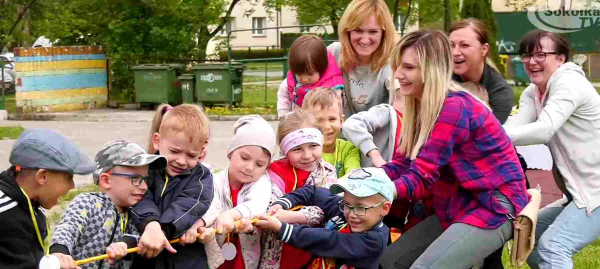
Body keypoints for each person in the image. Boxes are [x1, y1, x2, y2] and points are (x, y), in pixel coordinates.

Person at [378, 29, 528, 269]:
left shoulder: (454, 107)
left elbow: (421, 178)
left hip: (495, 205)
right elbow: (404, 163)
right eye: (398, 66)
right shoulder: (419, 105)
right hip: (459, 200)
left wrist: (376, 191)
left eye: (408, 67)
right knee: (390, 261)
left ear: (431, 70)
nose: (398, 75)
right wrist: (363, 180)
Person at [503, 30, 600, 269]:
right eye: (526, 55)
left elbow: (544, 129)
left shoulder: (569, 83)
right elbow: (514, 128)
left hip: (595, 193)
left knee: (553, 247)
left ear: (561, 59)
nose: (531, 61)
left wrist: (492, 137)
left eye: (540, 54)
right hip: (578, 194)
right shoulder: (533, 93)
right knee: (529, 238)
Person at [50, 140, 167, 269]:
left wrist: (125, 243)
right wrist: (60, 253)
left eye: (145, 179)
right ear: (106, 180)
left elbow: (140, 237)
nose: (144, 187)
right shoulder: (87, 203)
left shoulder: (134, 212)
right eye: (135, 179)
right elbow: (68, 228)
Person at [255, 167, 394, 269]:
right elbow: (313, 191)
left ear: (384, 208)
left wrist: (282, 228)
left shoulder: (375, 240)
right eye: (347, 204)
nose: (351, 214)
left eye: (360, 208)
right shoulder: (342, 208)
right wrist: (281, 204)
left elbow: (329, 240)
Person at [131, 104, 215, 269]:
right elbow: (139, 198)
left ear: (201, 151)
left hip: (186, 259)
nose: (182, 161)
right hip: (146, 255)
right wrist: (151, 224)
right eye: (175, 151)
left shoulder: (201, 177)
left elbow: (188, 205)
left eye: (191, 155)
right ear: (157, 141)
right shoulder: (145, 169)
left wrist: (162, 229)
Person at [0, 129, 95, 269]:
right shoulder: (7, 216)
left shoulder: (27, 205)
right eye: (69, 178)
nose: (72, 187)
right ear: (42, 177)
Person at [259, 109, 337, 269]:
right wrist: (275, 212)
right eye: (297, 149)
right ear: (285, 150)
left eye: (313, 146)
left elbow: (325, 211)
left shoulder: (327, 172)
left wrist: (287, 215)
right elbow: (267, 205)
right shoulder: (274, 172)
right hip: (276, 253)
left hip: (313, 252)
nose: (307, 155)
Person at [205, 115, 276, 269]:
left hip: (246, 261)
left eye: (259, 164)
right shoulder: (213, 181)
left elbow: (256, 204)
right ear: (230, 153)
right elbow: (208, 208)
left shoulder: (262, 182)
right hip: (216, 258)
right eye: (244, 158)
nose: (250, 167)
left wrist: (230, 215)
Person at [328, 0, 398, 118]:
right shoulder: (334, 52)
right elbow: (293, 82)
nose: (365, 40)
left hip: (372, 135)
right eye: (358, 30)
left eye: (373, 32)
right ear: (347, 31)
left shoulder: (392, 63)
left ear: (384, 33)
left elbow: (403, 103)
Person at [449, 18, 513, 124]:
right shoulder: (441, 81)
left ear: (484, 49)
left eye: (464, 45)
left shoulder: (500, 93)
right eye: (451, 45)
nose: (455, 52)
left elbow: (490, 132)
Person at [277, 35, 345, 118]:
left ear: (322, 68)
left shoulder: (332, 87)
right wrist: (283, 116)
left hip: (322, 124)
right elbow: (283, 96)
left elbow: (336, 111)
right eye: (299, 74)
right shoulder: (291, 81)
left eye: (310, 74)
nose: (305, 79)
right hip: (297, 123)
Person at [342, 81, 404, 168]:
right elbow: (350, 125)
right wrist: (375, 154)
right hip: (376, 175)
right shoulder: (386, 113)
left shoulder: (420, 121)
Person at [302, 88, 361, 177]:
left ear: (341, 121)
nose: (326, 126)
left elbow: (353, 177)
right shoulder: (303, 154)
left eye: (332, 119)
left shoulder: (349, 149)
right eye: (319, 120)